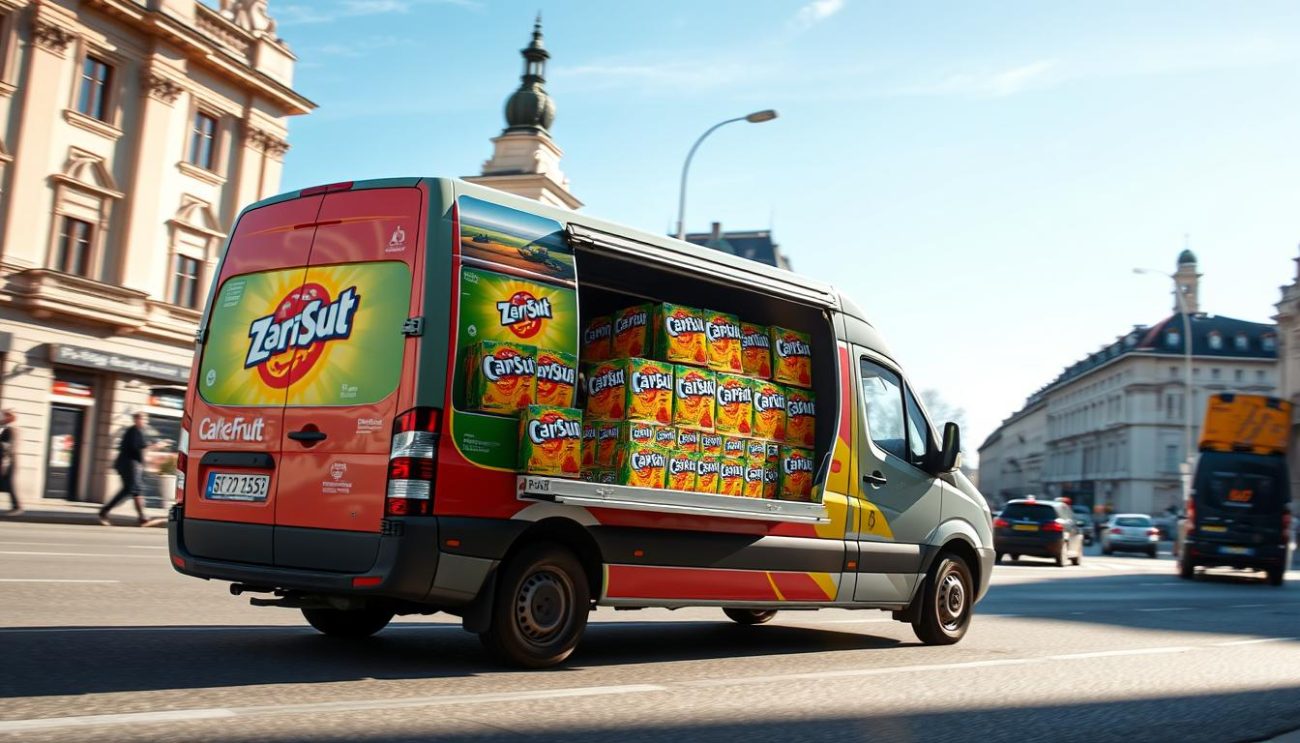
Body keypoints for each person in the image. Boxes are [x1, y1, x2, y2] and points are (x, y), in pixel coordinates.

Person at [99, 413, 149, 526]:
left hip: (128, 465)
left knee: (127, 490)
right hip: (129, 465)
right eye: (144, 419)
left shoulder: (136, 432)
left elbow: (139, 449)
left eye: (146, 419)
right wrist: (153, 447)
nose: (145, 422)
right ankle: (142, 517)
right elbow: (136, 448)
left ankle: (104, 512)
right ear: (137, 419)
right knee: (136, 490)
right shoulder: (133, 431)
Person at [0, 409, 20, 515]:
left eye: (3, 416)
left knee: (10, 485)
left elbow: (7, 447)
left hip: (8, 462)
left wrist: (4, 464)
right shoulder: (5, 429)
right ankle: (16, 506)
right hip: (6, 461)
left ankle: (17, 507)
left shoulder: (10, 430)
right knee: (7, 485)